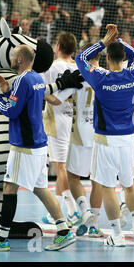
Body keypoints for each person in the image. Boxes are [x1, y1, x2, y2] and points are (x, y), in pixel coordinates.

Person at [0, 45, 76, 251]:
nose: (11, 59)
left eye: (13, 56)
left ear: (21, 59)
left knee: (9, 187)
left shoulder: (22, 80)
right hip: (38, 144)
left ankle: (1, 239)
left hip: (24, 146)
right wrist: (6, 92)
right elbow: (20, 104)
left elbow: (12, 112)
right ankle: (65, 231)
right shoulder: (37, 79)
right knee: (40, 189)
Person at [75, 24, 134, 247]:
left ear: (107, 59)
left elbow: (80, 58)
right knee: (130, 184)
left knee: (107, 186)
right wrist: (121, 40)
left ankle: (116, 235)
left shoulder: (101, 79)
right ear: (123, 57)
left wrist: (105, 40)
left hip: (105, 139)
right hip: (127, 138)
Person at [48, 44, 105, 238]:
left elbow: (56, 100)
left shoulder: (80, 74)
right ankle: (95, 224)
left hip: (80, 132)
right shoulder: (107, 75)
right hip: (101, 133)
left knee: (72, 176)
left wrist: (41, 92)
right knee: (98, 179)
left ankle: (84, 210)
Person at [41, 32, 80, 227]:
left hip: (56, 118)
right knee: (66, 168)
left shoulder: (53, 66)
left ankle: (72, 210)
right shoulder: (78, 67)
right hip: (75, 119)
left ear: (57, 46)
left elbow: (41, 88)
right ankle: (54, 212)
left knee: (60, 167)